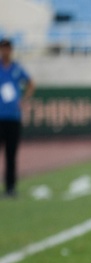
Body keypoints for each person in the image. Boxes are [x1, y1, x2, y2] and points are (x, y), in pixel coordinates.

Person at [0, 38, 35, 198]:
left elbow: (31, 83)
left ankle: (10, 188)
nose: (5, 51)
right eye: (3, 48)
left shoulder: (16, 68)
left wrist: (24, 100)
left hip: (13, 117)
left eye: (7, 48)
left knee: (11, 154)